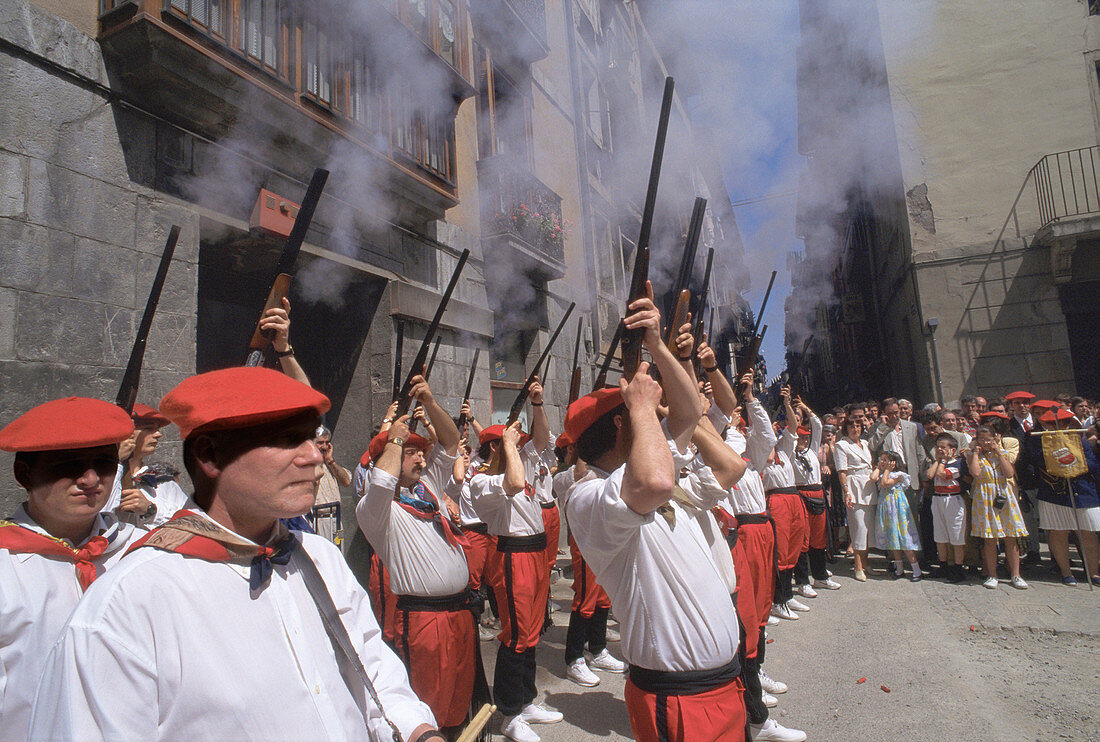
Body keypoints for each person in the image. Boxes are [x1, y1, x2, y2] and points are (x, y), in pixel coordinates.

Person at [28, 367, 441, 741]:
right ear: (209, 456)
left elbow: (371, 665)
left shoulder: (318, 556)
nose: (314, 456)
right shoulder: (127, 604)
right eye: (285, 440)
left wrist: (418, 731)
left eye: (311, 438)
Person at [564, 281, 748, 742]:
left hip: (724, 685)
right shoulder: (587, 496)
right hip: (678, 699)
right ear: (623, 421)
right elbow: (654, 483)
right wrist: (644, 405)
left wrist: (658, 345)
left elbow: (691, 412)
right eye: (633, 408)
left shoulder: (646, 457)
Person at [0, 397, 139, 742]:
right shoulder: (5, 564)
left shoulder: (140, 551)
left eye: (104, 464)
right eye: (69, 465)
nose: (91, 479)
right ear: (24, 474)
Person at [356, 371, 484, 737]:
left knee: (460, 702)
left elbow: (448, 441)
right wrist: (393, 441)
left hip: (460, 611)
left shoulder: (427, 489)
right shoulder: (376, 510)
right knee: (428, 706)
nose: (420, 459)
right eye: (411, 452)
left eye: (418, 452)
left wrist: (428, 399)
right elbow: (380, 482)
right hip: (425, 620)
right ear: (390, 458)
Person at [470, 380, 563, 742]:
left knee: (533, 631)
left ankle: (526, 700)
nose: (522, 446)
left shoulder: (522, 459)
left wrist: (537, 405)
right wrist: (508, 448)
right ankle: (508, 714)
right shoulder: (480, 482)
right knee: (516, 635)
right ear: (497, 446)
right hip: (515, 556)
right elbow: (512, 482)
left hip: (537, 551)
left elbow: (542, 440)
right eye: (512, 441)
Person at [554, 439, 624, 688]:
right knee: (585, 598)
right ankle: (574, 659)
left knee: (603, 597)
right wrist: (583, 441)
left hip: (603, 540)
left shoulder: (599, 470)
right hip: (584, 542)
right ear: (570, 450)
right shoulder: (562, 476)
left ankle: (597, 648)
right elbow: (581, 472)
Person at [1023, 408, 1100, 586]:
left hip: (1082, 490)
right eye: (1052, 423)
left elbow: (1092, 463)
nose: (1059, 425)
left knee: (1088, 532)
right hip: (1054, 492)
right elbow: (1037, 461)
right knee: (1059, 532)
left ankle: (1094, 572)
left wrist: (1073, 460)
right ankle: (1066, 572)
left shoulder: (1079, 438)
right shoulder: (1038, 440)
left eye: (1065, 422)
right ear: (1044, 424)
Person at [780, 391, 839, 596]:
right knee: (802, 541)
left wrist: (805, 407)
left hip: (817, 494)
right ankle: (803, 580)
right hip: (801, 495)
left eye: (805, 438)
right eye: (800, 438)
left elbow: (818, 426)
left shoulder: (812, 451)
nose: (803, 441)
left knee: (818, 538)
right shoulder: (787, 452)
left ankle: (820, 576)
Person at [103, 402, 190, 529]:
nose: (158, 434)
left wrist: (151, 511)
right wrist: (118, 462)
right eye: (149, 428)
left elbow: (191, 524)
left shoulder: (163, 481)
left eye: (157, 429)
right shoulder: (98, 478)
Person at [967, 425, 1028, 590]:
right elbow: (976, 473)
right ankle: (992, 574)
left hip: (1003, 494)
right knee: (990, 539)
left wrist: (998, 452)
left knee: (1011, 537)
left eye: (989, 439)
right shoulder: (973, 455)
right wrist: (975, 453)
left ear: (996, 438)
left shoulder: (1004, 453)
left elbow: (1009, 473)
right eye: (982, 439)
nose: (986, 442)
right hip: (984, 495)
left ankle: (1016, 574)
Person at [834, 417, 875, 581]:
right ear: (846, 429)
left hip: (869, 486)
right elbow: (841, 471)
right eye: (851, 426)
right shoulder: (841, 445)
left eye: (858, 426)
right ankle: (857, 566)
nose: (855, 429)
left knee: (868, 527)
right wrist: (846, 491)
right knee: (858, 527)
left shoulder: (865, 444)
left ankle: (866, 563)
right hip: (854, 486)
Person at [870, 451, 922, 581]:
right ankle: (899, 569)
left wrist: (887, 470)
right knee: (893, 538)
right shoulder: (882, 474)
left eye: (886, 460)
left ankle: (916, 570)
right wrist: (878, 467)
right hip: (887, 509)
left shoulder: (899, 475)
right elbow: (873, 478)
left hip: (898, 509)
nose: (883, 462)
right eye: (881, 459)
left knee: (904, 537)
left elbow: (885, 483)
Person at [926, 432, 968, 583]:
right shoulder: (937, 462)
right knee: (940, 535)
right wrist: (939, 460)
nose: (939, 450)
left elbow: (942, 475)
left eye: (943, 447)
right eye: (938, 447)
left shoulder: (958, 463)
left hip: (953, 500)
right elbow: (930, 475)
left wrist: (942, 461)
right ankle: (943, 565)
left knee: (956, 535)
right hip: (938, 499)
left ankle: (958, 568)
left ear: (953, 449)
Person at [312, 425, 351, 543]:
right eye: (320, 443)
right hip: (319, 519)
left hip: (336, 518)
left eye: (327, 443)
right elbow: (315, 479)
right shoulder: (309, 466)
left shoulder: (329, 464)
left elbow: (346, 481)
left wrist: (330, 461)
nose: (324, 447)